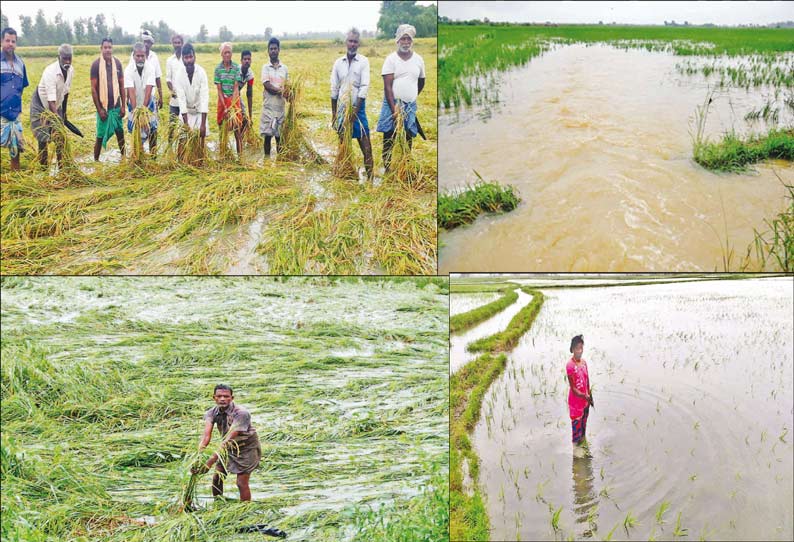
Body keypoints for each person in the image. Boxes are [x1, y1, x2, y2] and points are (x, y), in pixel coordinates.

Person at [193, 384, 261, 502]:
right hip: (228, 448)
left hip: (246, 448)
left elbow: (228, 439)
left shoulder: (241, 413)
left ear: (232, 398)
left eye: (226, 396)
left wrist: (209, 462)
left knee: (241, 482)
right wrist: (197, 458)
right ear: (214, 398)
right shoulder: (211, 413)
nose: (222, 399)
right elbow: (206, 437)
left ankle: (245, 508)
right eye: (219, 396)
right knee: (217, 478)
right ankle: (218, 503)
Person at [375, 24, 425, 171]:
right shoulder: (391, 60)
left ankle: (405, 163)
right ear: (397, 40)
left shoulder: (418, 59)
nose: (406, 42)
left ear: (412, 41)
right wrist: (394, 108)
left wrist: (412, 96)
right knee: (389, 134)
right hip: (392, 103)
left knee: (408, 134)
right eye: (403, 39)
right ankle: (388, 167)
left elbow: (421, 81)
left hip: (409, 104)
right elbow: (387, 87)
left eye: (408, 39)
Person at [330, 27, 373, 180]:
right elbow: (334, 89)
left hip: (358, 110)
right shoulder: (338, 63)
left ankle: (371, 180)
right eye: (350, 41)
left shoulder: (363, 62)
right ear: (346, 42)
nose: (352, 44)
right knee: (343, 146)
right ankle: (346, 175)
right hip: (342, 110)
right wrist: (334, 114)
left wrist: (355, 110)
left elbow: (364, 87)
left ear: (358, 44)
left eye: (355, 41)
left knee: (366, 147)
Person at [30, 43, 73, 168]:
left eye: (70, 58)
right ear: (59, 57)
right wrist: (57, 121)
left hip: (57, 103)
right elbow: (50, 101)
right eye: (65, 58)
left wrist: (64, 115)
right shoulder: (50, 72)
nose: (68, 61)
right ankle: (44, 169)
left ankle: (62, 168)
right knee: (43, 138)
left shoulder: (71, 70)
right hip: (41, 104)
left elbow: (66, 92)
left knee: (59, 138)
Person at [90, 38, 125, 161]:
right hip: (103, 109)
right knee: (100, 136)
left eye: (109, 47)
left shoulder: (118, 64)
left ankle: (124, 157)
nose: (107, 50)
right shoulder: (95, 65)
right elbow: (93, 89)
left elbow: (121, 86)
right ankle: (96, 160)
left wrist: (123, 106)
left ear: (112, 48)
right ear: (101, 48)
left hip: (116, 107)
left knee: (120, 133)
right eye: (105, 47)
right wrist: (99, 110)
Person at [0, 27, 29, 170]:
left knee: (16, 147)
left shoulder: (20, 64)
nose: (10, 44)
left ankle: (15, 174)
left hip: (14, 114)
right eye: (7, 40)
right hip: (1, 112)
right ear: (1, 41)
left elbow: (22, 87)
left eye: (13, 41)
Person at [173, 43, 209, 157]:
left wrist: (203, 124)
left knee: (200, 140)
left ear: (194, 57)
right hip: (186, 112)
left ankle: (200, 163)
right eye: (186, 58)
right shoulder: (179, 75)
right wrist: (186, 124)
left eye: (190, 57)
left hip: (199, 111)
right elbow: (181, 101)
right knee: (182, 141)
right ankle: (180, 164)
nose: (188, 60)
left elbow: (204, 98)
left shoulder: (201, 72)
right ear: (183, 59)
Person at [124, 42, 158, 155]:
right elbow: (131, 93)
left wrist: (143, 113)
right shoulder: (128, 70)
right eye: (137, 56)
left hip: (148, 104)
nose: (140, 58)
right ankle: (138, 155)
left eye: (142, 56)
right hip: (134, 104)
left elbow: (148, 90)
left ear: (145, 56)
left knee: (152, 130)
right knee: (135, 130)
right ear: (133, 56)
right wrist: (137, 115)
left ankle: (153, 155)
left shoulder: (151, 69)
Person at [260, 37, 288, 157]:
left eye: (275, 48)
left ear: (279, 50)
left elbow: (288, 87)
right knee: (267, 137)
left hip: (280, 109)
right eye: (271, 49)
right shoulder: (265, 68)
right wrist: (281, 90)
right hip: (268, 108)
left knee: (279, 138)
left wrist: (289, 93)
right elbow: (267, 86)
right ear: (268, 51)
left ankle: (279, 161)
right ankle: (267, 160)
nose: (273, 51)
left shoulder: (284, 69)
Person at [214, 42, 244, 156]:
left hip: (234, 100)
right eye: (225, 52)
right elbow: (219, 90)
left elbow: (236, 87)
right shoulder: (218, 69)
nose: (227, 55)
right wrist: (225, 107)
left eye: (229, 52)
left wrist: (232, 106)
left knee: (237, 130)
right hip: (222, 102)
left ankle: (240, 157)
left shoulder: (236, 67)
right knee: (222, 130)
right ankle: (223, 156)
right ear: (221, 54)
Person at [566, 335, 594, 455]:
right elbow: (573, 388)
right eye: (577, 348)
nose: (580, 351)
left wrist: (590, 397)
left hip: (585, 402)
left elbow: (587, 381)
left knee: (583, 427)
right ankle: (577, 454)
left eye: (582, 348)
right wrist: (584, 396)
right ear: (572, 349)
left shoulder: (584, 363)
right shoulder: (570, 366)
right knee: (576, 431)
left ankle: (583, 442)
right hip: (576, 403)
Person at [129, 29, 163, 110]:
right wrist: (128, 97)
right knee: (136, 119)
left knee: (151, 120)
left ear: (151, 44)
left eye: (148, 42)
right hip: (136, 96)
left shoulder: (154, 56)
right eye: (144, 42)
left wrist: (161, 96)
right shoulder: (133, 56)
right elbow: (130, 77)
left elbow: (157, 78)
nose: (146, 44)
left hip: (151, 95)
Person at [165, 33, 185, 141]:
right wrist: (173, 91)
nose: (177, 45)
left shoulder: (185, 59)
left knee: (184, 126)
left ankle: (182, 146)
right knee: (172, 125)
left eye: (179, 42)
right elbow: (168, 79)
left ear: (182, 44)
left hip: (185, 99)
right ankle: (169, 147)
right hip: (174, 99)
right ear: (172, 44)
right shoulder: (170, 60)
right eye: (175, 43)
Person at [239, 50, 254, 127]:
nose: (247, 61)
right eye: (245, 59)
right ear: (241, 61)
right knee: (236, 119)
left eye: (249, 59)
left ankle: (242, 138)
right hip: (228, 94)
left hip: (237, 95)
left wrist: (250, 116)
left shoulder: (250, 75)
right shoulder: (236, 71)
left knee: (245, 119)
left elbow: (249, 94)